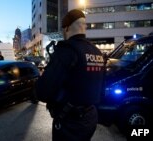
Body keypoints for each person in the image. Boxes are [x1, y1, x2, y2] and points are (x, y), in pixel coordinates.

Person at [36, 9, 105, 141]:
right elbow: (102, 88)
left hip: (69, 123)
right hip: (90, 118)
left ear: (67, 28)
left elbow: (42, 91)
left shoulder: (66, 51)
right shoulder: (97, 52)